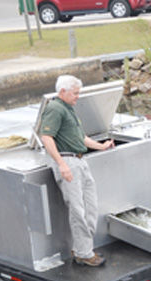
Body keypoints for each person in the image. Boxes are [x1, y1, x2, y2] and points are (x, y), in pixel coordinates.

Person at [39, 75, 115, 267]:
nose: (78, 97)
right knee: (77, 210)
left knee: (91, 207)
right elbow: (47, 137)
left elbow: (81, 138)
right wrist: (61, 164)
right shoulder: (55, 108)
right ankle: (83, 253)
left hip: (81, 160)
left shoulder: (69, 109)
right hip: (68, 161)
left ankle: (84, 248)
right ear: (62, 91)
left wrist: (101, 146)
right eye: (75, 93)